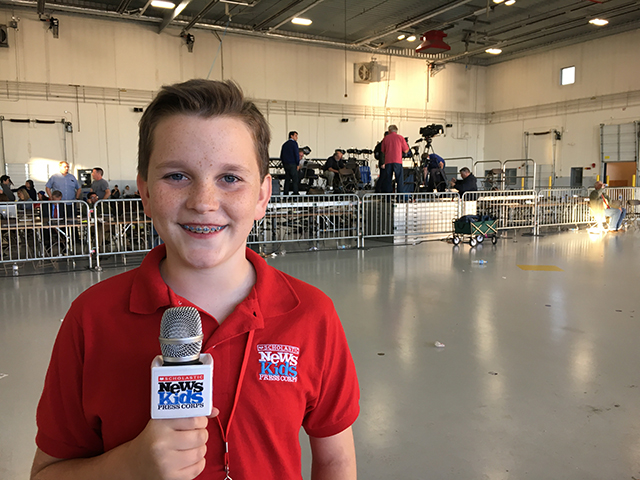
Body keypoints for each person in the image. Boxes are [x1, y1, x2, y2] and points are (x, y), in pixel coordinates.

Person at [31, 79, 359, 480]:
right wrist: (129, 466)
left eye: (230, 178)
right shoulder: (92, 318)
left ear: (262, 195)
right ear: (145, 192)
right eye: (177, 176)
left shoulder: (311, 315)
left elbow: (335, 461)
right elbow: (47, 472)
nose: (203, 202)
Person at [380, 124, 409, 193]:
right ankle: (400, 198)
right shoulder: (400, 138)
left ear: (389, 130)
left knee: (388, 180)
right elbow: (406, 150)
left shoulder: (385, 138)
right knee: (399, 180)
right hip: (398, 161)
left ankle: (388, 198)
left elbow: (383, 151)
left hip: (388, 162)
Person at [280, 130, 300, 195]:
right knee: (295, 179)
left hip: (286, 164)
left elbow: (281, 155)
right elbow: (296, 154)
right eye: (295, 136)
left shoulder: (284, 144)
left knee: (287, 179)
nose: (297, 137)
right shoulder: (294, 144)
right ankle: (295, 193)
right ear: (291, 136)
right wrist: (297, 163)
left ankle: (285, 193)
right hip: (293, 163)